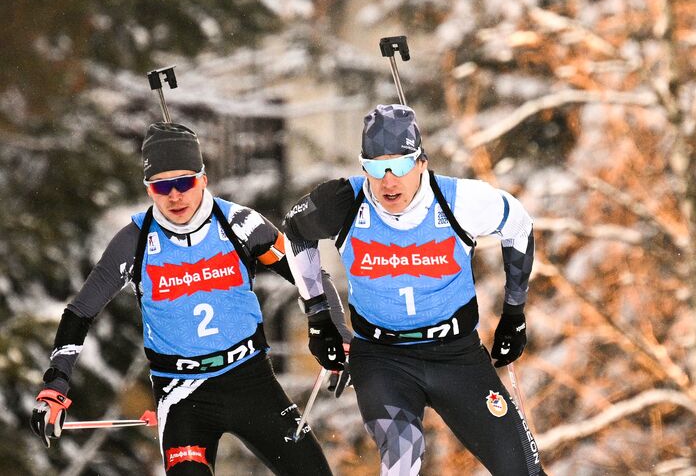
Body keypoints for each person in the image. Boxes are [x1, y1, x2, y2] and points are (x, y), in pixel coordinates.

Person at [31, 122, 340, 475]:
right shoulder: (134, 241)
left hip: (251, 382)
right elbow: (79, 312)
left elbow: (312, 277)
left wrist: (334, 330)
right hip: (182, 394)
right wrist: (55, 384)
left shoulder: (240, 224)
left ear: (203, 179)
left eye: (184, 182)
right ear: (149, 190)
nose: (175, 196)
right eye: (162, 186)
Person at [283, 103, 543, 476]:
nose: (389, 180)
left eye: (401, 165)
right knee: (403, 457)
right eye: (375, 167)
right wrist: (318, 315)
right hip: (382, 358)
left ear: (421, 162)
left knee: (523, 470)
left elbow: (518, 224)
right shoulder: (342, 202)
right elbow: (296, 231)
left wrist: (514, 313)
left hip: (457, 357)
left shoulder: (460, 201)